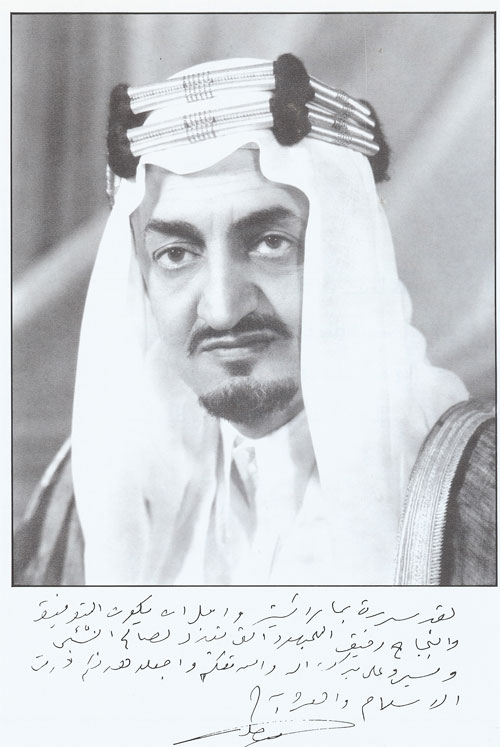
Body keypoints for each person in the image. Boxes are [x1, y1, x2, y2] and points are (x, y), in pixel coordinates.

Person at [14, 55, 495, 587]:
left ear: (353, 260)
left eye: (271, 243)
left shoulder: (474, 492)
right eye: (176, 254)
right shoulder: (86, 497)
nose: (222, 309)